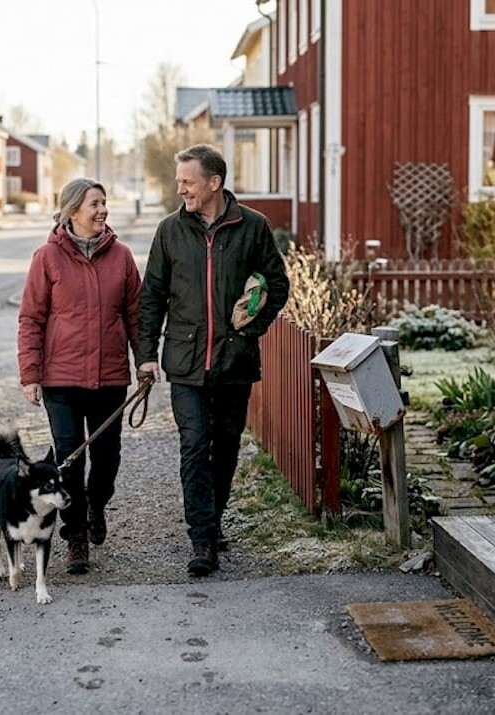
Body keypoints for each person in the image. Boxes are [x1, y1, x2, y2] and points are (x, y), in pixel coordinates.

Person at [136, 144, 289, 577]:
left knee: (225, 448)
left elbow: (277, 284)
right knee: (193, 446)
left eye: (188, 181)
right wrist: (146, 356)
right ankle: (201, 539)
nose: (180, 189)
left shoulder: (253, 226)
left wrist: (251, 328)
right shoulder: (169, 231)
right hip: (185, 362)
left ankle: (214, 517)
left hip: (234, 362)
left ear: (214, 182)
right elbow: (152, 297)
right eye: (179, 181)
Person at [17, 178, 142, 575]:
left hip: (109, 378)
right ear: (72, 211)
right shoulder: (47, 258)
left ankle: (95, 506)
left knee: (107, 458)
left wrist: (146, 361)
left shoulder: (121, 256)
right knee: (69, 460)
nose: (103, 210)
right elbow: (31, 319)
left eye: (104, 203)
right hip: (61, 380)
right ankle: (75, 536)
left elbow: (136, 316)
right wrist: (30, 374)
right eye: (94, 204)